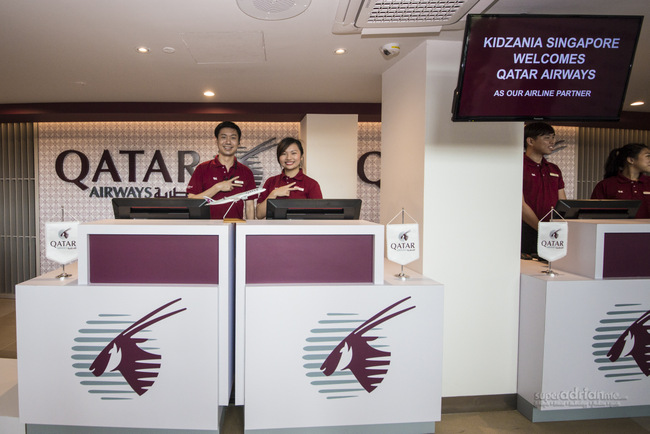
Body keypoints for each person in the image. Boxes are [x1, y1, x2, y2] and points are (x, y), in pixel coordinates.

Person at [186, 121, 256, 219]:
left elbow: (249, 206)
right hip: (208, 229)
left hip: (236, 228)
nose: (228, 142)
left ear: (239, 142)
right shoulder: (202, 168)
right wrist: (217, 187)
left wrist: (250, 231)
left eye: (233, 137)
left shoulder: (246, 172)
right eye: (223, 137)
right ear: (216, 141)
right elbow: (191, 201)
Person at [521, 122, 566, 254]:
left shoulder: (554, 169)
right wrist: (542, 229)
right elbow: (520, 205)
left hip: (553, 233)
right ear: (530, 141)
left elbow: (562, 204)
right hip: (526, 231)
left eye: (553, 137)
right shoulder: (519, 165)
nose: (552, 142)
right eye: (547, 138)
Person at [256, 137, 322, 219]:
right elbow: (259, 214)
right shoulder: (271, 181)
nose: (288, 157)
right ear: (278, 157)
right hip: (274, 231)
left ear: (301, 156)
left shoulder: (312, 184)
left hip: (301, 231)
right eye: (284, 153)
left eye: (293, 153)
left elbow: (318, 216)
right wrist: (274, 194)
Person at [590, 143, 650, 218]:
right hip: (615, 229)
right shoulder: (606, 185)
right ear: (631, 160)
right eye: (648, 156)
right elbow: (593, 214)